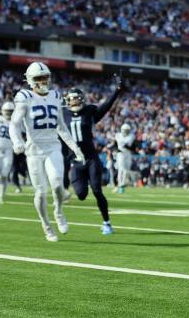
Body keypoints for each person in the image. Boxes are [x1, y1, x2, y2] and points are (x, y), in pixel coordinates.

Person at [9, 62, 85, 242]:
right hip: (34, 149)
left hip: (52, 146)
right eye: (38, 78)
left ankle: (58, 211)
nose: (43, 81)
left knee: (58, 183)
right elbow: (14, 123)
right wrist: (17, 140)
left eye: (45, 77)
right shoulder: (24, 96)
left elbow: (62, 127)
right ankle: (46, 225)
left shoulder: (56, 95)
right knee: (41, 192)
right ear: (30, 81)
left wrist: (75, 148)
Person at [62, 74, 124, 234]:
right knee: (81, 195)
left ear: (81, 99)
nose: (73, 101)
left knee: (97, 190)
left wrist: (117, 90)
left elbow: (106, 106)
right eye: (71, 99)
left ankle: (107, 223)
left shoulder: (89, 112)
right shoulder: (62, 115)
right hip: (75, 161)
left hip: (90, 158)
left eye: (76, 99)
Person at [113, 123, 135, 193]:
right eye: (125, 130)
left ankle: (121, 184)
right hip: (120, 153)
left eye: (128, 130)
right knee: (121, 169)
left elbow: (131, 146)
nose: (126, 132)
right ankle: (120, 185)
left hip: (128, 153)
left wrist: (124, 145)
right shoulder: (118, 135)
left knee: (127, 170)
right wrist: (116, 150)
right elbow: (115, 144)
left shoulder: (131, 136)